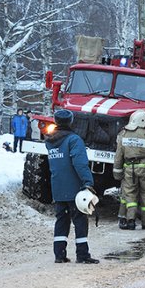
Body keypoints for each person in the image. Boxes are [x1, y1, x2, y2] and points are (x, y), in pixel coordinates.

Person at [45, 109, 99, 264]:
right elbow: (80, 163)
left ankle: (59, 255)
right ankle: (82, 255)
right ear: (71, 122)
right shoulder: (74, 140)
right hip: (74, 188)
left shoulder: (50, 141)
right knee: (80, 220)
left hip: (58, 187)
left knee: (61, 220)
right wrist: (88, 182)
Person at [113, 110, 145, 230]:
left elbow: (118, 156)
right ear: (142, 121)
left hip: (129, 170)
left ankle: (130, 220)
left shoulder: (123, 134)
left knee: (130, 194)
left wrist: (117, 172)